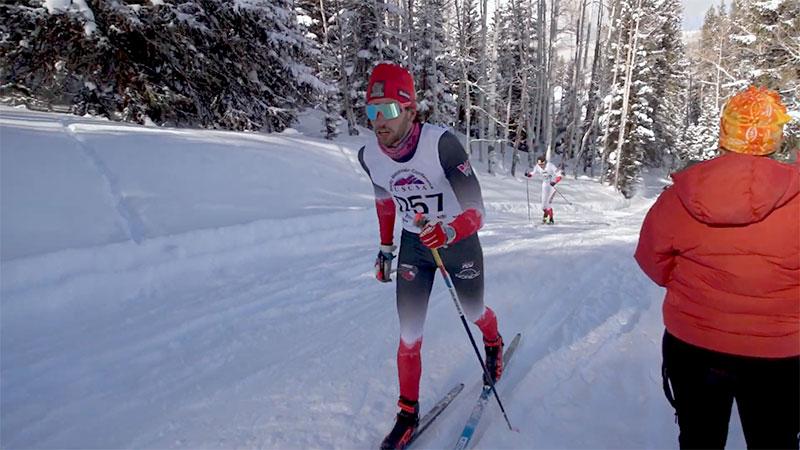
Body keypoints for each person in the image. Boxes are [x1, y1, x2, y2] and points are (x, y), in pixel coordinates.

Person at [634, 86, 799, 449]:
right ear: (776, 137)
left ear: (725, 132)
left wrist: (694, 288)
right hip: (780, 357)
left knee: (699, 440)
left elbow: (652, 262)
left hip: (695, 347)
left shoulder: (679, 195)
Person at [357, 63, 504, 450]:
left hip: (457, 240)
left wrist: (452, 230)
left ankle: (493, 342)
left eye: (387, 110)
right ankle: (407, 413)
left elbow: (477, 210)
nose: (378, 122)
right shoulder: (370, 156)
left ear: (410, 109)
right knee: (409, 335)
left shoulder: (442, 144)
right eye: (371, 111)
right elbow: (385, 201)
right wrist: (385, 248)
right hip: (414, 245)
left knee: (474, 312)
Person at [524, 155, 563, 224]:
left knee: (548, 203)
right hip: (545, 185)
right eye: (539, 164)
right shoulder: (537, 166)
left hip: (552, 186)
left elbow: (559, 175)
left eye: (542, 164)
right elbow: (532, 173)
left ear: (545, 162)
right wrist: (528, 174)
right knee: (543, 206)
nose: (541, 166)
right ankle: (546, 218)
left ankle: (550, 219)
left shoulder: (550, 165)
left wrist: (555, 182)